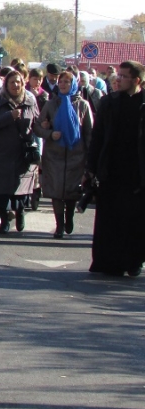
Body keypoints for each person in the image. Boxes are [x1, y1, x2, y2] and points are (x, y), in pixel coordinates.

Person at [85, 60, 145, 276]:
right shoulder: (110, 102)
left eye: (124, 76)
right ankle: (109, 262)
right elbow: (98, 135)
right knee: (110, 218)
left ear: (136, 80)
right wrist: (91, 167)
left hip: (137, 172)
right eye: (118, 75)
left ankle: (133, 261)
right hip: (111, 169)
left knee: (135, 220)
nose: (118, 79)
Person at [35, 70, 93, 239]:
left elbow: (89, 132)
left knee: (71, 191)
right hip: (54, 155)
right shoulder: (51, 104)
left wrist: (89, 157)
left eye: (67, 82)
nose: (63, 85)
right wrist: (49, 133)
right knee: (56, 192)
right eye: (61, 82)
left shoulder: (83, 105)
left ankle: (69, 217)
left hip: (76, 155)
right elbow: (37, 126)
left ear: (74, 84)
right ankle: (59, 224)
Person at [0, 70, 40, 234]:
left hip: (22, 153)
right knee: (2, 190)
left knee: (20, 189)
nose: (15, 85)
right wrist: (10, 116)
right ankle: (3, 219)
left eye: (18, 82)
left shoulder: (30, 101)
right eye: (12, 82)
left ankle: (20, 212)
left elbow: (36, 123)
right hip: (2, 152)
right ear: (6, 85)